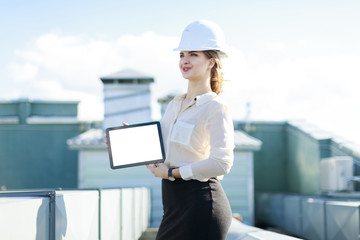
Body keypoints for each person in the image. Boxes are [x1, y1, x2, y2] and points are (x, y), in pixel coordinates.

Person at [146, 20, 235, 240]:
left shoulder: (216, 107)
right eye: (182, 55)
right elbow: (167, 152)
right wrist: (128, 143)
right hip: (174, 206)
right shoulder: (174, 104)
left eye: (193, 54)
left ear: (210, 62)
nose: (185, 60)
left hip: (202, 205)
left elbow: (222, 163)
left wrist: (171, 173)